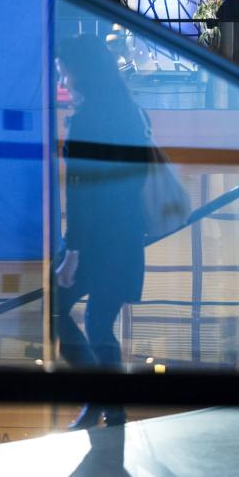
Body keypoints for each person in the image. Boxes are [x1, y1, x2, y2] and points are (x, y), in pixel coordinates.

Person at [55, 35, 148, 430]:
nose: (61, 72)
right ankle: (110, 404)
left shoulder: (90, 118)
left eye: (64, 66)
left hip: (96, 241)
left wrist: (73, 251)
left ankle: (101, 400)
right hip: (124, 237)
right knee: (98, 320)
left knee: (57, 310)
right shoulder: (129, 111)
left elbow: (81, 191)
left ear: (81, 71)